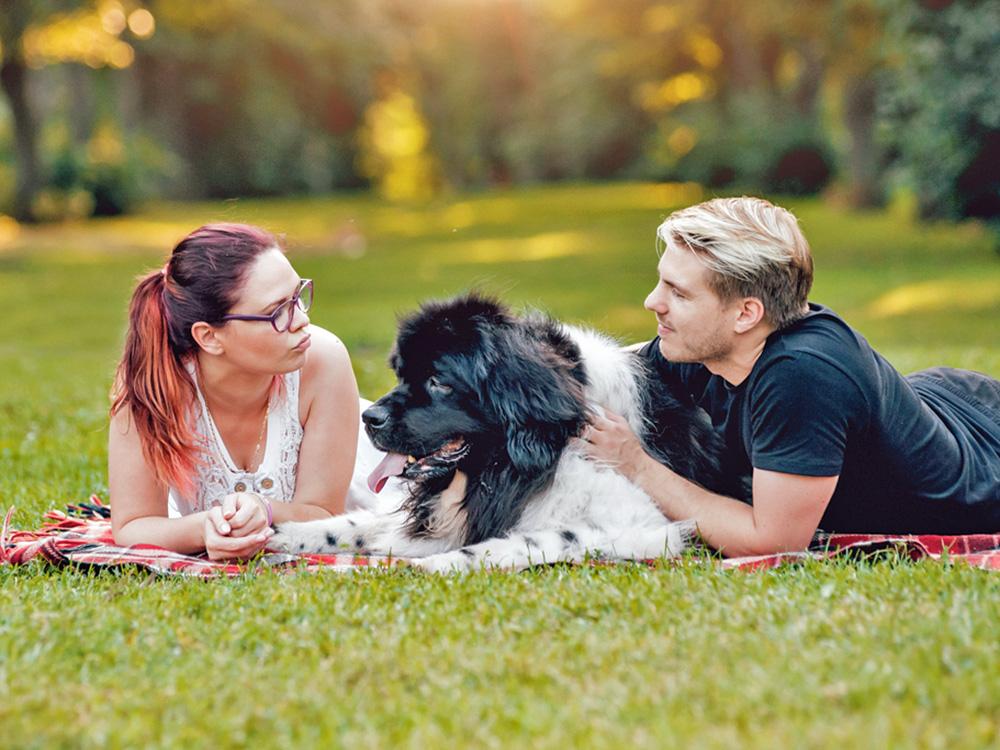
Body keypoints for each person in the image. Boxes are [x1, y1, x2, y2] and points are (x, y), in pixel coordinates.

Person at [576, 197, 1000, 557]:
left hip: (986, 465)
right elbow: (616, 364)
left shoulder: (800, 378)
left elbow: (772, 542)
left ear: (746, 313)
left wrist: (637, 466)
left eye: (679, 293)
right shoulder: (709, 344)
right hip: (948, 401)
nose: (653, 302)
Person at [109, 223, 389, 560]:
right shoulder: (151, 383)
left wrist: (265, 511)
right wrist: (204, 528)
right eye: (277, 312)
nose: (301, 320)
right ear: (209, 337)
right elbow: (132, 525)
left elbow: (323, 513)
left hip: (368, 497)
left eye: (298, 297)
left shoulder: (322, 360)